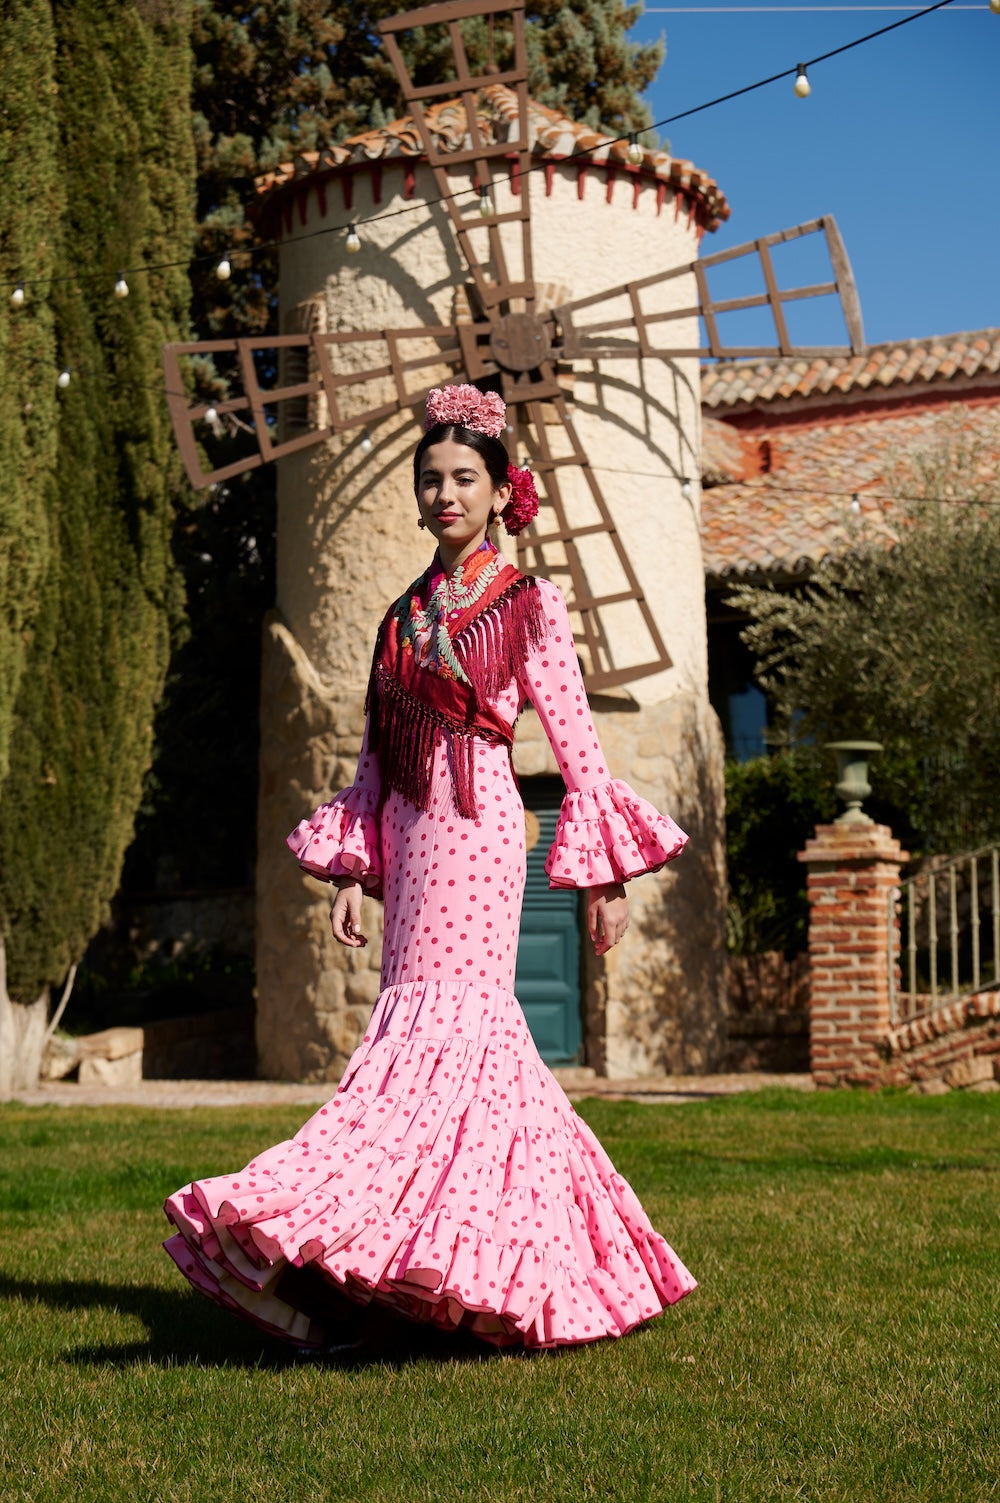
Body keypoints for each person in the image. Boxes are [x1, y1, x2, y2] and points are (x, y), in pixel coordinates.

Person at [163, 384, 696, 1352]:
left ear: (501, 492)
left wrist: (604, 879)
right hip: (408, 839)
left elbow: (575, 742)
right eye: (430, 481)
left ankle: (456, 1260)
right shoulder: (397, 619)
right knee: (421, 1030)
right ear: (416, 499)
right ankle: (429, 1263)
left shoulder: (528, 603)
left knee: (462, 1030)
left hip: (481, 826)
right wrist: (350, 872)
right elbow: (371, 760)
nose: (444, 494)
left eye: (463, 479)